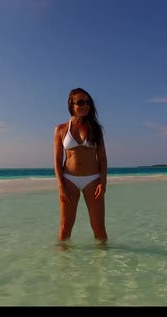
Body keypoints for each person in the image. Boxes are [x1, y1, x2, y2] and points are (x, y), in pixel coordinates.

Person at [53, 88, 108, 243]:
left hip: (93, 181)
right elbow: (57, 160)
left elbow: (102, 158)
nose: (85, 106)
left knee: (99, 229)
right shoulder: (61, 129)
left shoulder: (96, 129)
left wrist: (103, 181)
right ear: (72, 105)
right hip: (69, 180)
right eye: (81, 102)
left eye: (88, 102)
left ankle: (103, 264)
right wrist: (60, 185)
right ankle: (64, 265)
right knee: (65, 226)